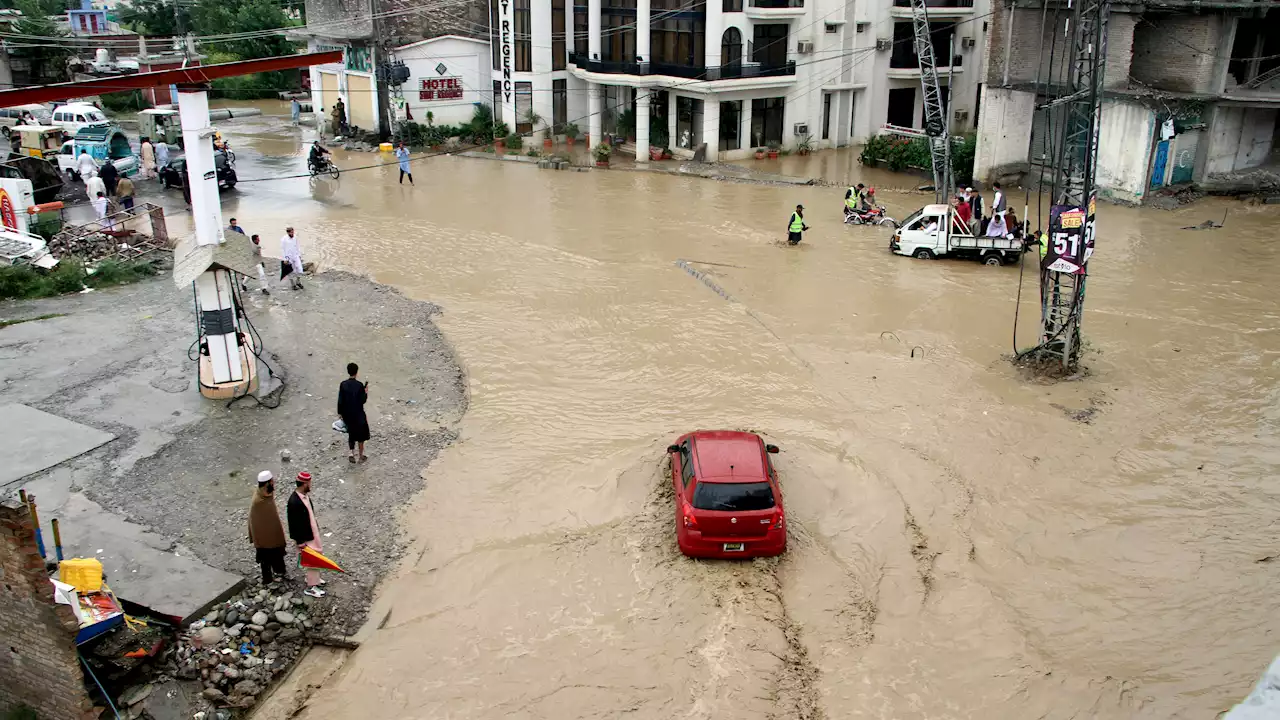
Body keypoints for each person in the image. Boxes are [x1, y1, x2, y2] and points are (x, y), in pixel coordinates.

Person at [286, 471, 326, 598]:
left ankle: (314, 579)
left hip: (312, 533)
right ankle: (311, 587)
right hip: (305, 537)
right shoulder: (294, 502)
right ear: (304, 484)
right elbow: (293, 524)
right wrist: (299, 541)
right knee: (312, 560)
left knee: (316, 557)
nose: (311, 485)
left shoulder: (304, 496)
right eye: (309, 483)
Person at [248, 470, 288, 585]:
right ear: (267, 483)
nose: (274, 484)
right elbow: (257, 521)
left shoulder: (266, 493)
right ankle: (268, 579)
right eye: (272, 482)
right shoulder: (259, 501)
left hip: (272, 532)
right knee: (265, 557)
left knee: (277, 551)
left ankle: (279, 571)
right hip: (263, 536)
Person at [337, 362, 370, 463]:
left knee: (351, 432)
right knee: (361, 433)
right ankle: (361, 455)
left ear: (348, 371)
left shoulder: (343, 384)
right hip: (358, 414)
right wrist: (366, 392)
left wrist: (340, 413)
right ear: (356, 372)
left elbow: (340, 400)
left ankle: (351, 453)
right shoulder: (359, 385)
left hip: (347, 414)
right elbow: (362, 400)